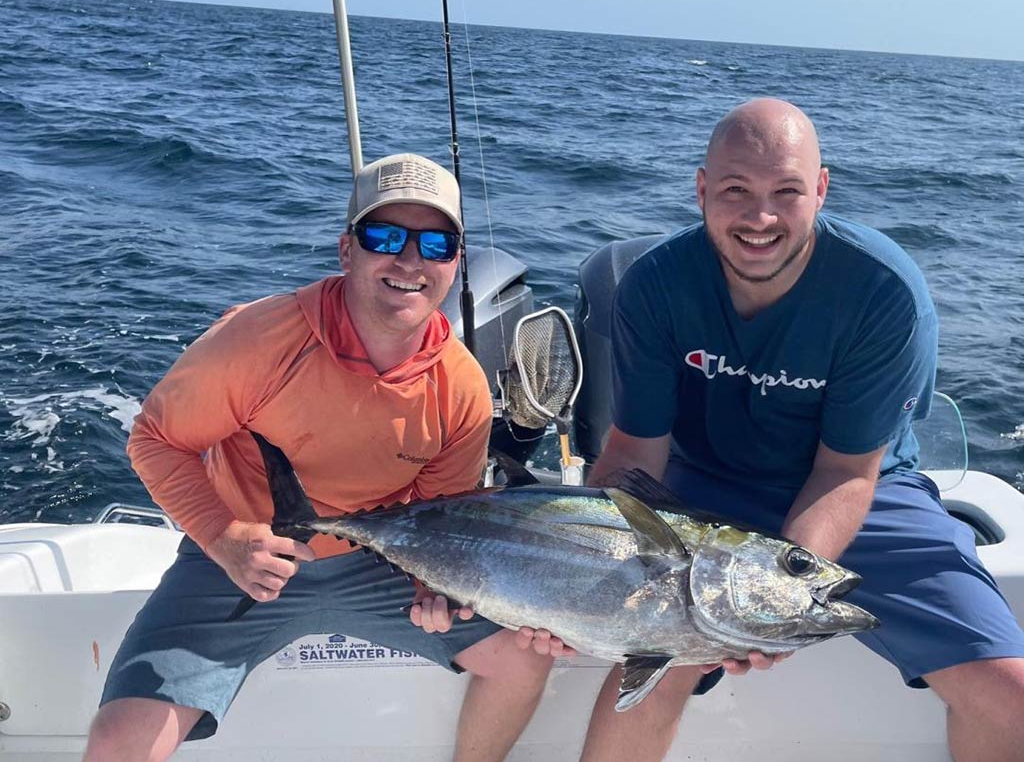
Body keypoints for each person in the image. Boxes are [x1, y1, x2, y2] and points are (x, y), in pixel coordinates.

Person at [518, 98, 1024, 762]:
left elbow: (845, 472)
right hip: (699, 488)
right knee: (648, 671)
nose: (760, 218)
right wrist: (584, 585)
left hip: (858, 489)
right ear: (702, 190)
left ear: (821, 189)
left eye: (786, 191)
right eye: (735, 191)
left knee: (1009, 692)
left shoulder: (883, 291)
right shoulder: (654, 287)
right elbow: (636, 450)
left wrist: (771, 598)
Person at [84, 153, 553, 762]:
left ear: (454, 263)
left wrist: (435, 589)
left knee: (521, 659)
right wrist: (223, 538)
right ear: (346, 250)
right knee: (117, 740)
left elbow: (440, 519)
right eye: (384, 236)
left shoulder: (461, 387)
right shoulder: (260, 339)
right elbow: (155, 438)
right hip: (237, 550)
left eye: (435, 243)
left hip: (378, 559)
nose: (409, 260)